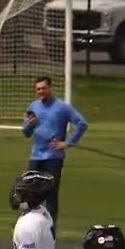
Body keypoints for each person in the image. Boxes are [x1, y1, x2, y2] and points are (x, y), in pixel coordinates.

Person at [22, 76, 88, 228]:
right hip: (36, 155)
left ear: (50, 88)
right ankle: (29, 228)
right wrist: (30, 125)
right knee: (27, 190)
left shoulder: (62, 107)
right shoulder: (33, 106)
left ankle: (50, 232)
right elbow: (26, 133)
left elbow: (82, 123)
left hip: (53, 157)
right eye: (38, 89)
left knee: (51, 193)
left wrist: (68, 143)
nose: (41, 91)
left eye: (43, 88)